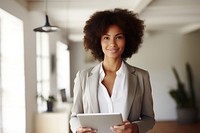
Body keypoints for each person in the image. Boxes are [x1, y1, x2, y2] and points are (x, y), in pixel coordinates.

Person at [70, 8, 155, 133]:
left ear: (127, 40)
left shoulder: (142, 76)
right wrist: (78, 129)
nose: (112, 44)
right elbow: (74, 117)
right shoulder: (83, 77)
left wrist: (134, 127)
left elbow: (149, 119)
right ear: (98, 41)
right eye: (106, 38)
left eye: (118, 37)